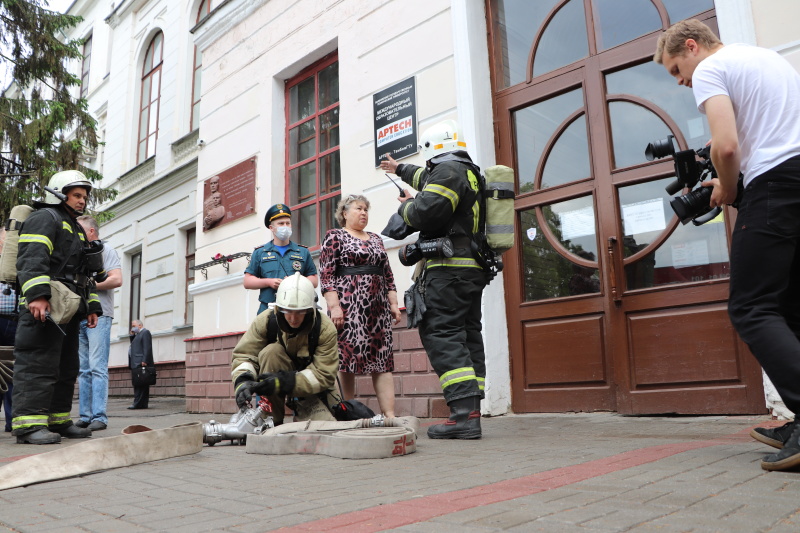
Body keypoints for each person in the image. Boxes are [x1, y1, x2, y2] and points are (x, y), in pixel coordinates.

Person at [655, 19, 800, 471]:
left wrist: (729, 188)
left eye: (678, 70)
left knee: (751, 307)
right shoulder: (767, 59)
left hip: (774, 186)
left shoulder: (713, 69)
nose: (681, 82)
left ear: (693, 47)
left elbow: (728, 145)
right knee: (789, 307)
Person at [381, 119, 489, 439]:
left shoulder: (448, 172)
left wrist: (405, 212)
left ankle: (463, 416)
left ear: (432, 150)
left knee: (442, 332)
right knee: (468, 335)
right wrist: (399, 168)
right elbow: (425, 176)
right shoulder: (468, 171)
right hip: (471, 271)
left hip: (448, 270)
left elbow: (428, 210)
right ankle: (471, 410)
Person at [11, 170, 102, 444]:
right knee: (37, 364)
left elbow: (83, 272)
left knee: (66, 366)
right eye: (76, 195)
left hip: (68, 307)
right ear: (59, 192)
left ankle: (58, 420)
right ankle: (28, 426)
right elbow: (32, 258)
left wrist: (92, 306)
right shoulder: (44, 218)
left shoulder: (73, 226)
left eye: (84, 197)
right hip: (45, 306)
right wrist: (37, 296)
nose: (81, 201)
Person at [319, 194, 401, 417]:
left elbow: (388, 274)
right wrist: (334, 306)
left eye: (366, 209)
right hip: (348, 308)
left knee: (382, 360)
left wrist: (393, 303)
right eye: (358, 208)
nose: (364, 212)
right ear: (344, 213)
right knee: (347, 360)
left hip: (378, 309)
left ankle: (390, 415)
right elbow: (326, 276)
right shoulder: (335, 236)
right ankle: (348, 411)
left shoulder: (376, 238)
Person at [231, 272, 339, 425]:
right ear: (279, 308)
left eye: (300, 313)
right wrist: (243, 382)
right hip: (275, 371)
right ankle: (271, 421)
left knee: (327, 427)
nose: (293, 319)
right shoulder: (266, 320)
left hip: (313, 389)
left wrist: (286, 383)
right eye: (288, 312)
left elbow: (324, 374)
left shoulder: (324, 328)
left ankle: (303, 413)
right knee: (271, 352)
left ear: (310, 310)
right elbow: (244, 354)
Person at [74, 216, 122, 431]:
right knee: (83, 369)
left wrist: (91, 284)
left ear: (91, 231)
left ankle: (99, 417)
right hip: (80, 315)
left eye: (80, 231)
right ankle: (84, 416)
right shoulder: (79, 252)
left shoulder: (107, 250)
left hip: (100, 314)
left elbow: (116, 279)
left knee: (97, 367)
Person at [244, 204, 318, 315]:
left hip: (297, 308)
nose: (285, 226)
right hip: (269, 308)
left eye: (288, 223)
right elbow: (247, 281)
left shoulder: (302, 251)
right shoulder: (260, 252)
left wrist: (296, 281)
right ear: (271, 228)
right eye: (281, 224)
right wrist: (268, 282)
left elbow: (314, 280)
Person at [128, 319, 154, 409]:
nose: (133, 327)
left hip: (140, 362)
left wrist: (145, 360)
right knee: (138, 383)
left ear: (140, 325)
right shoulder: (138, 335)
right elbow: (135, 345)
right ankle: (141, 404)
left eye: (134, 326)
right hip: (136, 362)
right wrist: (132, 335)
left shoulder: (145, 333)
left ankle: (138, 403)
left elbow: (147, 347)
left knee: (141, 383)